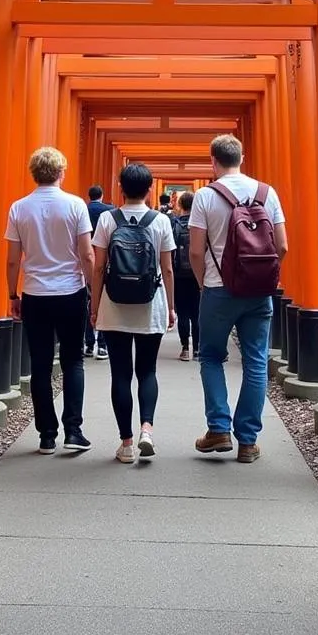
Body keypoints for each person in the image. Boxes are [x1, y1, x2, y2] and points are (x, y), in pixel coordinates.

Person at [188, 134, 288, 464]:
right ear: (242, 157)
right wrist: (261, 276)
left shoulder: (205, 196)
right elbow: (282, 245)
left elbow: (195, 250)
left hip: (218, 289)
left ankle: (218, 429)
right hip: (258, 292)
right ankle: (248, 441)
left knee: (212, 356)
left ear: (213, 161)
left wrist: (205, 284)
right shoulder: (267, 193)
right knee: (256, 361)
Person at [5, 147, 94, 455]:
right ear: (61, 173)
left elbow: (13, 260)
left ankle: (46, 434)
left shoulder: (19, 208)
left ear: (34, 173)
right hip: (70, 291)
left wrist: (13, 294)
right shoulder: (75, 206)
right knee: (73, 361)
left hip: (35, 293)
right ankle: (73, 429)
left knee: (40, 364)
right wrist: (92, 289)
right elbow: (86, 253)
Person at [90, 162, 176, 464]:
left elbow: (99, 266)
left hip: (114, 305)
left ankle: (125, 444)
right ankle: (147, 429)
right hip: (150, 303)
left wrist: (95, 304)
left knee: (121, 374)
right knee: (147, 371)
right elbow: (166, 268)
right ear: (150, 188)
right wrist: (171, 308)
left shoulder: (107, 220)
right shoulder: (160, 222)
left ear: (120, 187)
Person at [83, 185, 113, 360]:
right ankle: (102, 345)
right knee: (102, 305)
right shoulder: (109, 211)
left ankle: (88, 344)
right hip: (104, 261)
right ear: (101, 196)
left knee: (89, 304)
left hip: (86, 263)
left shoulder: (83, 210)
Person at [171, 191, 201, 362]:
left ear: (180, 205)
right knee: (196, 312)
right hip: (197, 274)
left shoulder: (175, 225)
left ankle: (185, 348)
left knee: (182, 312)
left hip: (179, 274)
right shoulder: (198, 224)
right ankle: (197, 349)